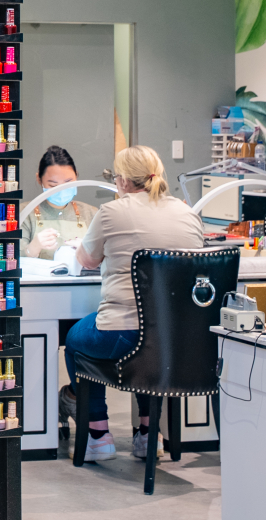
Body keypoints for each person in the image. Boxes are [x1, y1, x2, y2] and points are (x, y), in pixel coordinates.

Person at [61, 145, 203, 462]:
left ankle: (98, 435)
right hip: (173, 337)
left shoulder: (111, 212)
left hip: (121, 334)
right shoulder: (188, 213)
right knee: (149, 346)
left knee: (75, 340)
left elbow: (86, 260)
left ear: (123, 180)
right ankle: (148, 434)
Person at [21, 146, 98, 260]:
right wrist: (32, 249)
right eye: (53, 185)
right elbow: (12, 258)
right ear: (39, 179)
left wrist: (90, 253)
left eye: (68, 183)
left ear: (76, 175)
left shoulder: (91, 213)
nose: (61, 190)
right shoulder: (25, 213)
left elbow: (107, 256)